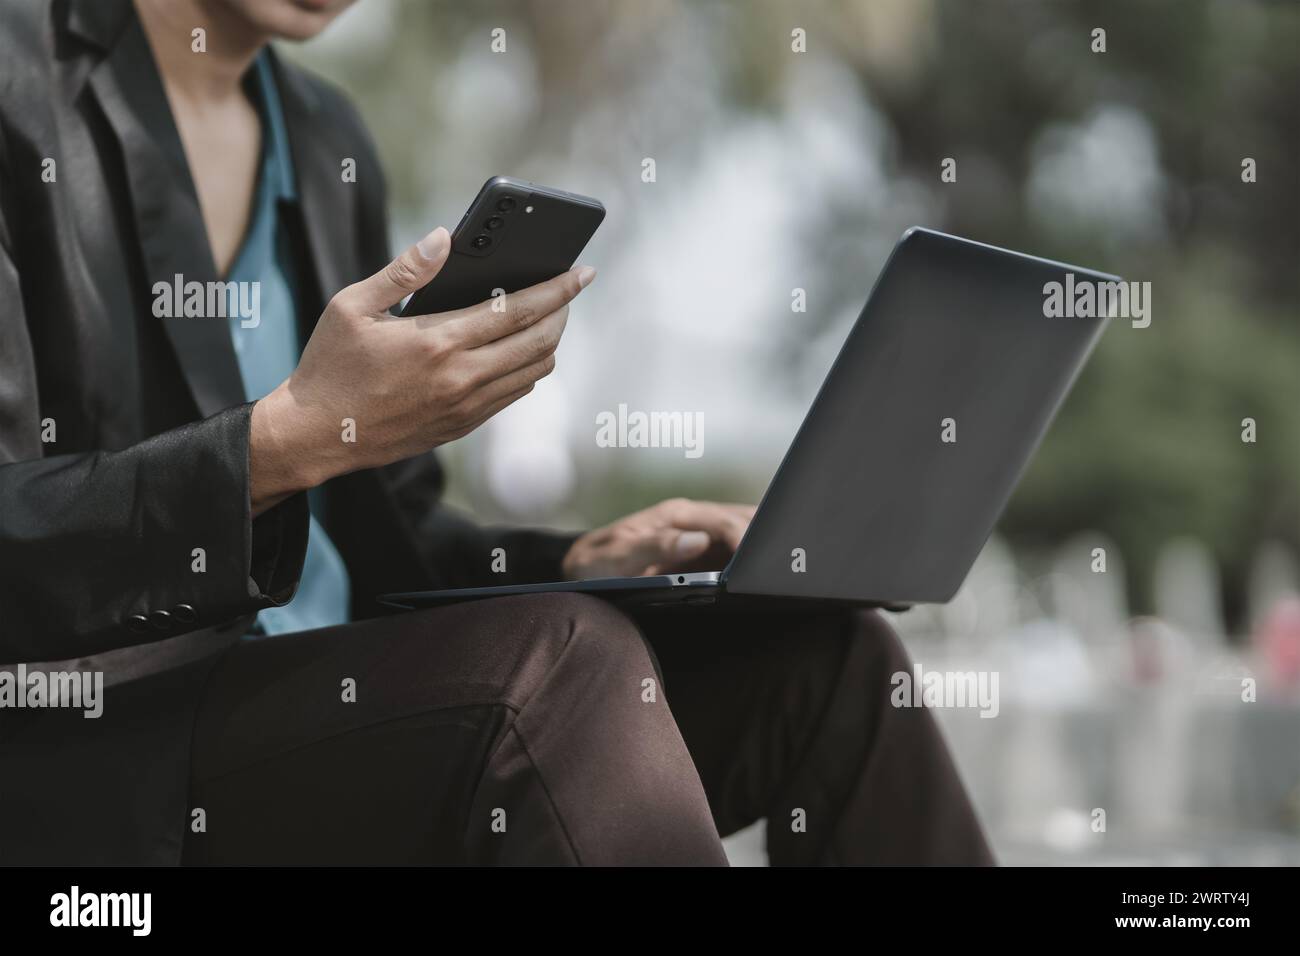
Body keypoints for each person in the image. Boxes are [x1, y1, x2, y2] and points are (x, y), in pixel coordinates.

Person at [0, 0, 993, 865]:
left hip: (360, 711)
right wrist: (287, 438)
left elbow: (390, 536)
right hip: (107, 751)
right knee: (556, 667)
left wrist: (579, 558)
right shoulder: (17, 81)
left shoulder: (320, 137)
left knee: (825, 661)